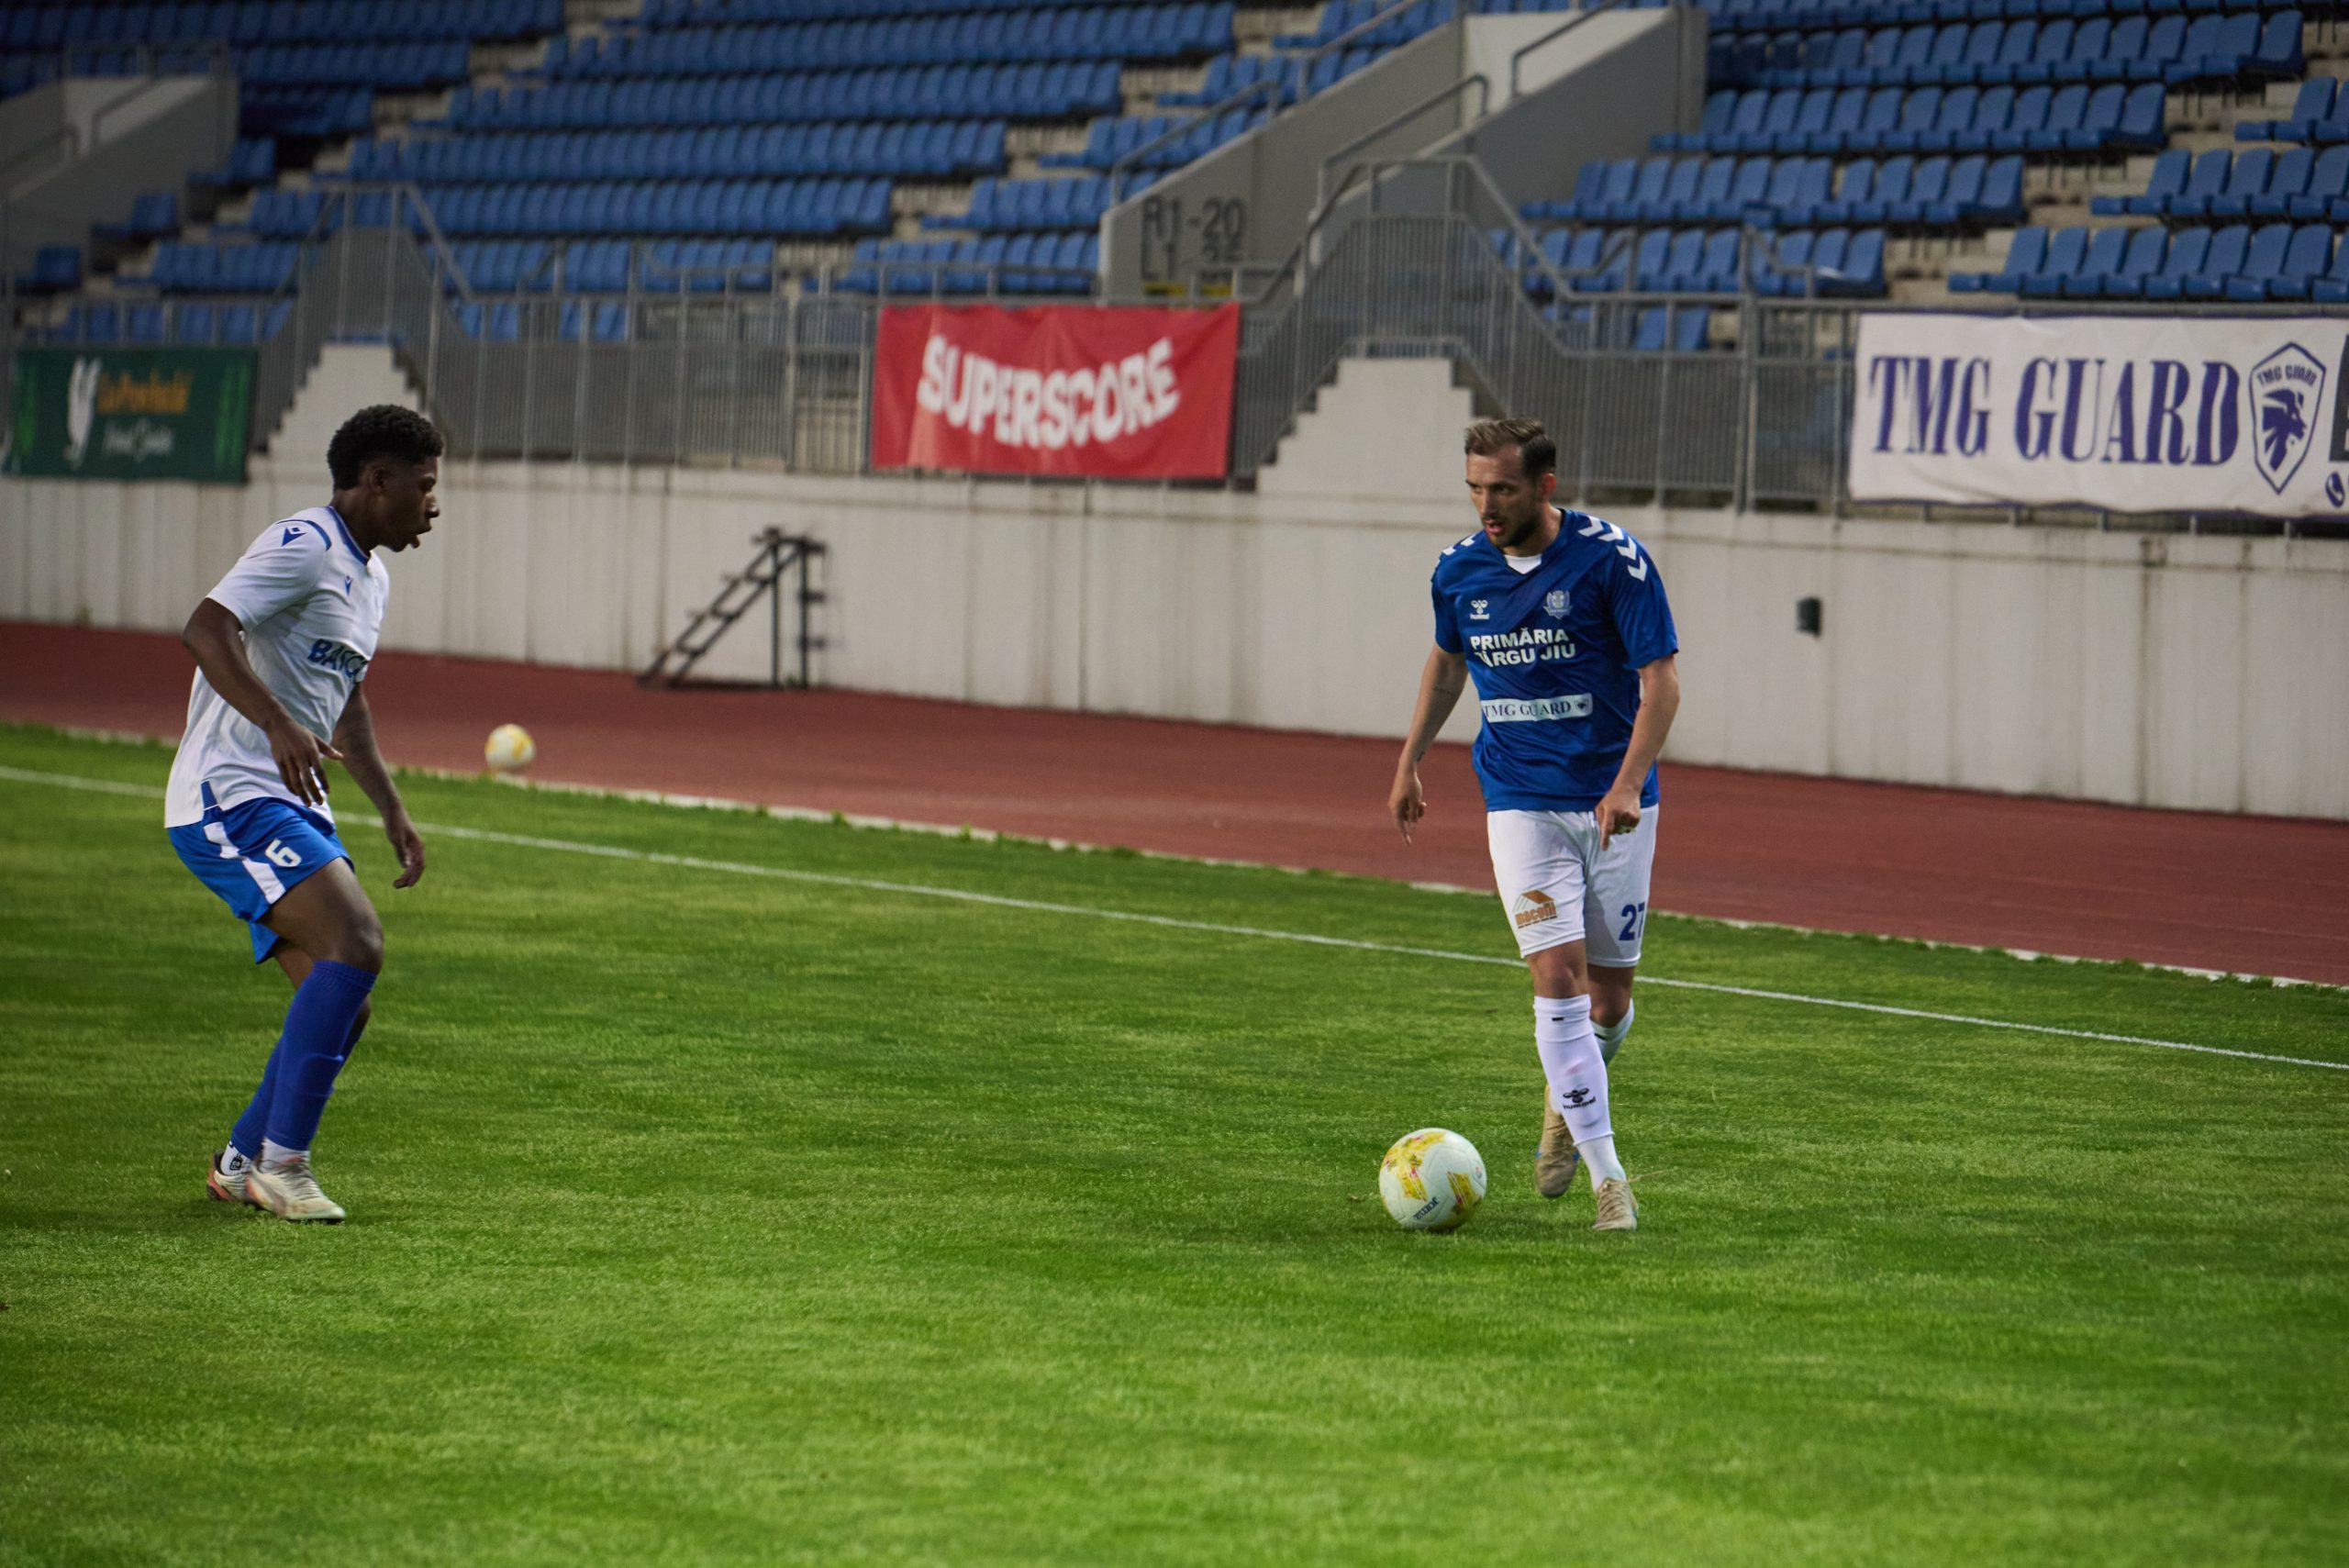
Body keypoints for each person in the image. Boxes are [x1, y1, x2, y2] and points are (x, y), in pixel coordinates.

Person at [1388, 418, 1681, 1233]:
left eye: (1503, 489)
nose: (1487, 505)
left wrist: (1627, 784)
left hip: (1614, 805)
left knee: (1610, 1001)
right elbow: (1448, 662)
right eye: (1475, 488)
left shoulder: (1611, 559)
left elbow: (1661, 682)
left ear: (1545, 486)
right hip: (1519, 800)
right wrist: (1410, 759)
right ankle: (1609, 1180)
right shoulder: (1458, 569)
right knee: (1557, 978)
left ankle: (1563, 1097)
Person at [166, 405, 443, 1223]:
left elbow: (346, 700)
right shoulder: (304, 544)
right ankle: (284, 1168)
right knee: (357, 943)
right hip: (229, 793)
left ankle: (240, 1160)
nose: (433, 505)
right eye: (424, 486)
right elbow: (205, 627)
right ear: (377, 481)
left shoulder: (372, 577)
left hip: (288, 799)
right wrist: (277, 722)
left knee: (345, 1003)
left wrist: (390, 807)